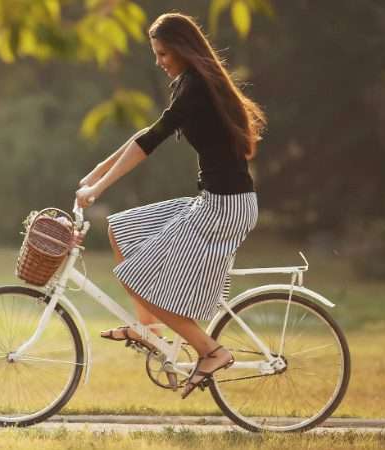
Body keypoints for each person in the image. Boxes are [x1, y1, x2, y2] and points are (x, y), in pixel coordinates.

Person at [74, 12, 266, 399]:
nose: (159, 61)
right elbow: (148, 133)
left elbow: (150, 142)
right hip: (215, 201)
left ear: (181, 49)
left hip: (224, 209)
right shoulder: (191, 84)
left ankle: (211, 351)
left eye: (163, 53)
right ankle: (150, 331)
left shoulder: (196, 87)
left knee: (135, 275)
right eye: (156, 54)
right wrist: (97, 171)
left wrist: (98, 188)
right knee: (121, 228)